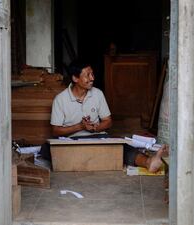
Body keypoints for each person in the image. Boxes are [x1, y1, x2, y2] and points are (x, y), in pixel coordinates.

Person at [40, 60, 168, 172]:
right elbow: (55, 131)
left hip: (97, 137)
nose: (92, 78)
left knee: (121, 147)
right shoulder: (60, 99)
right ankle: (91, 158)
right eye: (87, 75)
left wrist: (95, 128)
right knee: (46, 149)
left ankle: (148, 162)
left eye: (92, 74)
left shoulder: (97, 94)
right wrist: (80, 126)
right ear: (75, 78)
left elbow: (108, 122)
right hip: (70, 141)